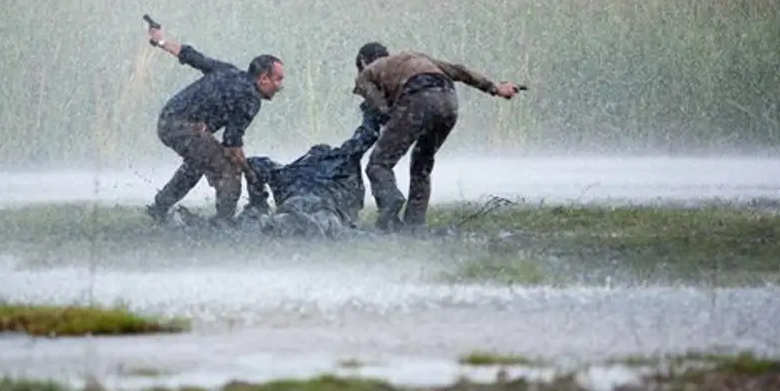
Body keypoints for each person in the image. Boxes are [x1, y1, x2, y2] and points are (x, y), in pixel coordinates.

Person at [351, 42, 522, 232]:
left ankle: (390, 207)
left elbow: (380, 108)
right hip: (449, 101)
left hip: (418, 98)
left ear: (362, 62)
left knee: (379, 164)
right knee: (422, 165)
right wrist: (496, 88)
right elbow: (460, 71)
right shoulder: (414, 56)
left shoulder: (366, 74)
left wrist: (388, 122)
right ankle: (415, 226)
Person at [143, 25, 285, 225]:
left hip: (166, 119)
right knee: (228, 170)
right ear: (263, 79)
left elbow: (191, 56)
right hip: (184, 126)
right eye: (278, 80)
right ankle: (223, 225)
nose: (281, 86)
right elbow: (231, 144)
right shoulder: (250, 98)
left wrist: (161, 41)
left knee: (196, 165)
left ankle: (159, 208)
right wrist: (250, 173)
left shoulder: (228, 70)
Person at [239, 101, 385, 238]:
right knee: (330, 228)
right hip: (323, 208)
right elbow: (367, 135)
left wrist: (258, 202)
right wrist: (370, 109)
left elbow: (255, 164)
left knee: (274, 225)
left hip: (293, 206)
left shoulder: (288, 171)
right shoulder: (340, 160)